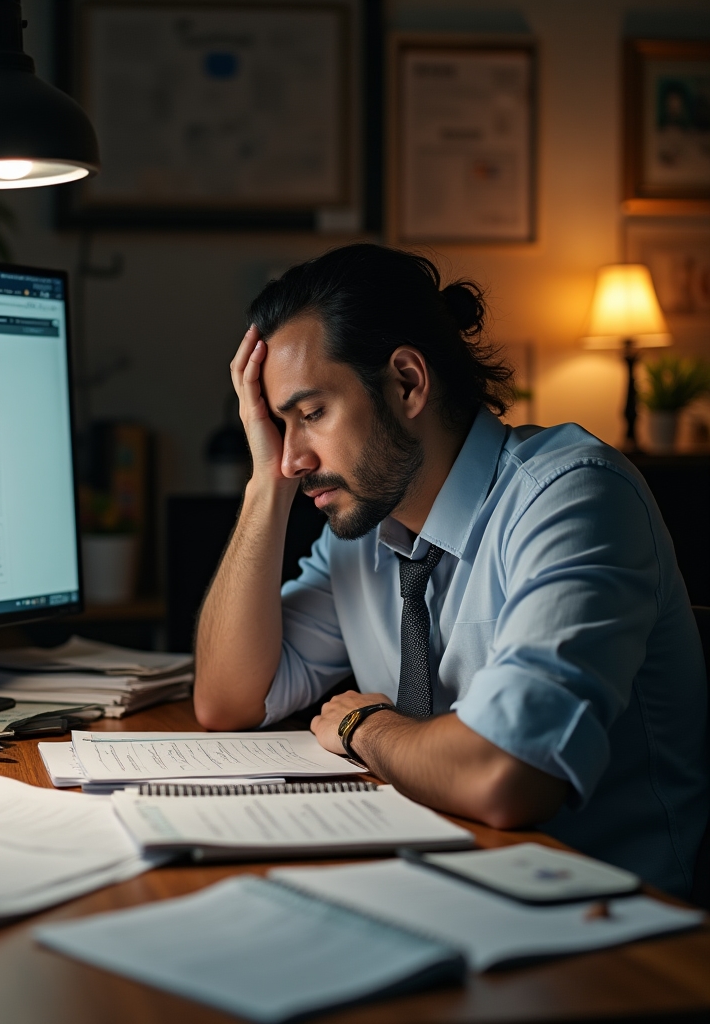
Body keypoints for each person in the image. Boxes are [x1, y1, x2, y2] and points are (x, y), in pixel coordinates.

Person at [193, 243, 708, 897]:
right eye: (278, 424)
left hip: (613, 931)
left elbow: (505, 775)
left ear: (407, 383)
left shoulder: (573, 495)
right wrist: (265, 483)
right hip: (443, 890)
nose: (294, 457)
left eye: (312, 414)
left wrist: (364, 726)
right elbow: (227, 700)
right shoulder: (364, 530)